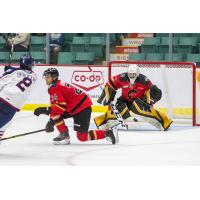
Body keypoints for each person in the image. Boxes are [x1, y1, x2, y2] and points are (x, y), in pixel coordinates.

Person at [34, 68, 118, 145]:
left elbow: (60, 106)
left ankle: (107, 133)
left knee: (82, 137)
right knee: (54, 114)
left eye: (48, 77)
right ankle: (64, 135)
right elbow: (57, 107)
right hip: (74, 107)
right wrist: (51, 120)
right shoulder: (56, 86)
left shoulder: (54, 87)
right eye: (45, 77)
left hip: (82, 109)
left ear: (54, 77)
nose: (46, 79)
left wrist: (45, 110)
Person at [94, 64, 173, 131]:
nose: (131, 76)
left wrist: (150, 101)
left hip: (139, 101)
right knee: (118, 113)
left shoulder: (144, 80)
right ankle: (102, 124)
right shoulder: (122, 77)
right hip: (124, 100)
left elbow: (152, 91)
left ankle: (164, 123)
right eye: (130, 74)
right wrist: (108, 95)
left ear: (138, 73)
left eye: (133, 74)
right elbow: (111, 83)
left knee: (145, 111)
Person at [0, 54, 37, 140]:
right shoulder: (34, 76)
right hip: (13, 104)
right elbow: (22, 73)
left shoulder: (13, 71)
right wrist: (10, 70)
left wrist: (7, 71)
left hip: (2, 97)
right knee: (5, 123)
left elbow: (1, 82)